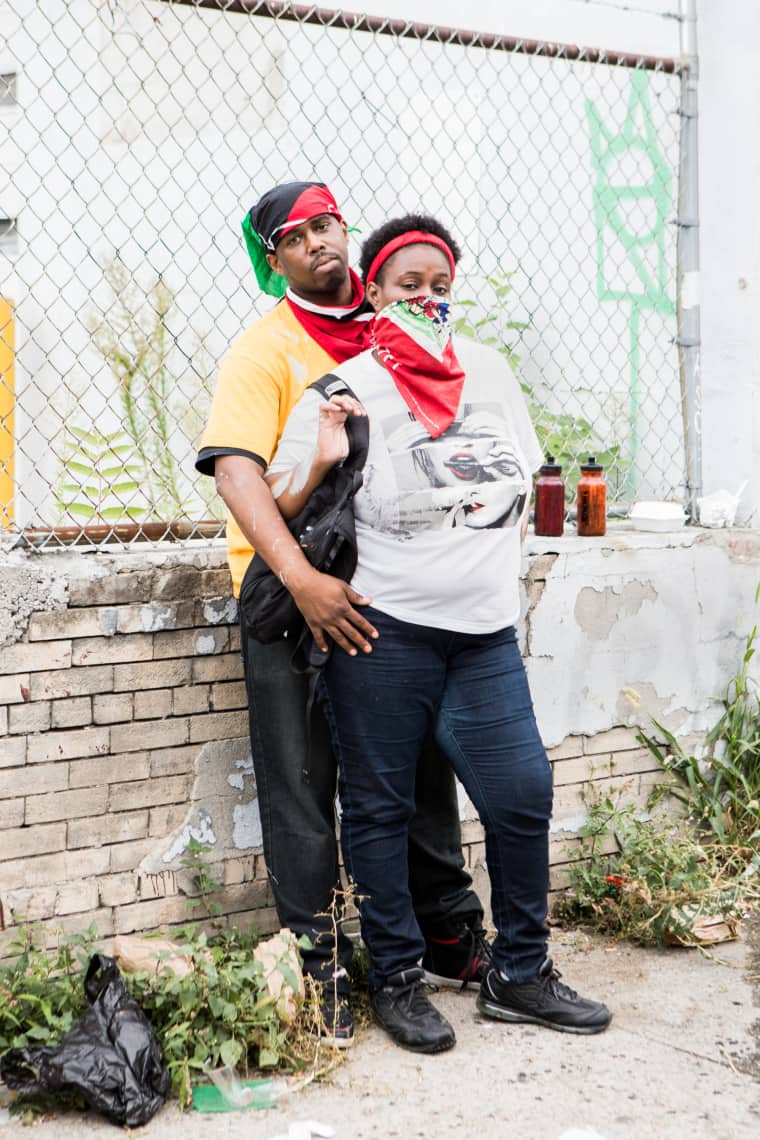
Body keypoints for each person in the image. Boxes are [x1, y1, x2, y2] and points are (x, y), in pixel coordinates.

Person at [266, 215, 612, 1053]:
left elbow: (520, 486)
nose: (426, 299)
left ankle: (519, 974)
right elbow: (276, 502)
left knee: (521, 796)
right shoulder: (341, 389)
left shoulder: (490, 374)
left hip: (484, 636)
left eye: (440, 286)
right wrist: (318, 457)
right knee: (381, 809)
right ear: (374, 292)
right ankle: (397, 977)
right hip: (383, 636)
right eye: (408, 285)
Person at [195, 183, 489, 1047]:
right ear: (273, 261)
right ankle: (318, 961)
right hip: (293, 593)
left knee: (420, 771)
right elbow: (237, 473)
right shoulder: (265, 351)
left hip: (395, 589)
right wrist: (305, 583)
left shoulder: (400, 327)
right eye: (295, 236)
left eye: (327, 223)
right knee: (300, 780)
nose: (319, 241)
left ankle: (445, 933)